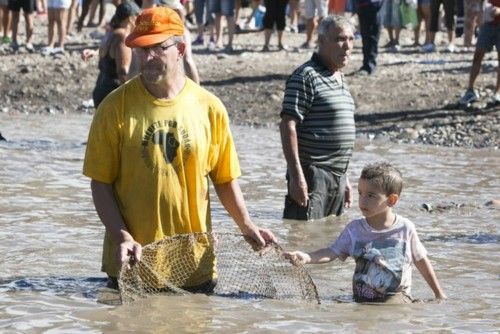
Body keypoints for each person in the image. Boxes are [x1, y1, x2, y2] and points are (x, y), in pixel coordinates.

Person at [83, 6, 276, 291]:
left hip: (194, 266)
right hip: (133, 264)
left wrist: (247, 226)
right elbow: (100, 184)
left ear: (181, 48)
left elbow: (224, 178)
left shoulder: (209, 107)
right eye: (141, 49)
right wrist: (122, 235)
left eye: (158, 48)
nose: (147, 58)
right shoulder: (114, 107)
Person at [284, 162, 447, 303]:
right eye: (360, 193)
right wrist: (307, 257)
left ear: (392, 200)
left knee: (392, 308)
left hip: (397, 297)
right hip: (361, 299)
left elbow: (421, 261)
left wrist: (438, 293)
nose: (362, 201)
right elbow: (332, 251)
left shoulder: (405, 228)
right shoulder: (354, 229)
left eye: (371, 195)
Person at [280, 15, 355, 221]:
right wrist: (297, 177)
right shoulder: (305, 76)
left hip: (336, 176)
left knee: (329, 239)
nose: (347, 46)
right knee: (302, 238)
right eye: (340, 39)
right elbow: (288, 125)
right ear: (321, 41)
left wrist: (345, 177)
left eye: (351, 39)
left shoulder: (339, 77)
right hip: (312, 175)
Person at [84, 1, 141, 108]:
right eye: (137, 16)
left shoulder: (111, 33)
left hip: (100, 89)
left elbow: (104, 53)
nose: (139, 20)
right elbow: (122, 71)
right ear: (130, 18)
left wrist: (94, 52)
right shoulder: (123, 38)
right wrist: (131, 95)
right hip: (113, 93)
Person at [459, 1, 500, 105]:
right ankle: (470, 90)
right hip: (487, 24)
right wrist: (480, 11)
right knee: (477, 56)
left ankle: (497, 92)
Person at [356, 0, 383, 74]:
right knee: (365, 37)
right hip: (363, 6)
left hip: (373, 5)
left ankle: (369, 65)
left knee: (372, 37)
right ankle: (366, 64)